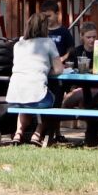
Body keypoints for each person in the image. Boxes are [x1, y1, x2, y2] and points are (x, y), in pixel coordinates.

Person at [8, 11, 65, 146]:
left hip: (14, 97)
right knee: (54, 98)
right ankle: (38, 133)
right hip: (37, 98)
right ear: (44, 27)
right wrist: (44, 70)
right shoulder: (48, 43)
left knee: (25, 102)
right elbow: (58, 70)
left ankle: (18, 133)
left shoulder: (18, 44)